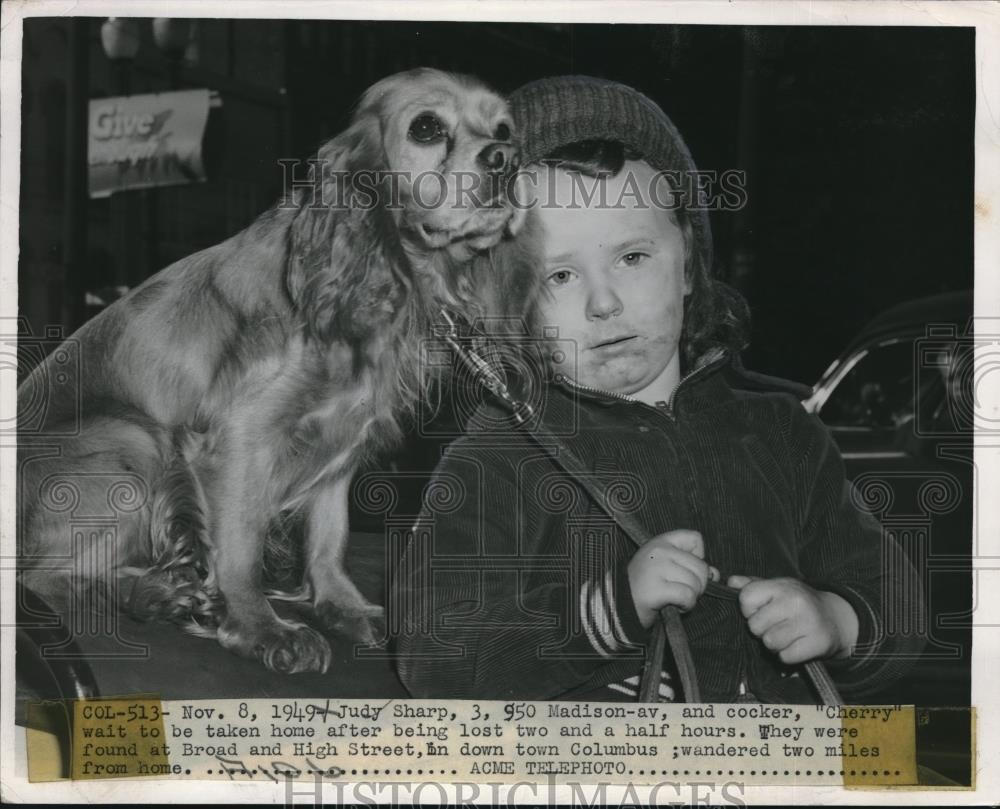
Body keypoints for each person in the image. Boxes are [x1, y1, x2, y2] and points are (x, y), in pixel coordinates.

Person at [390, 75, 924, 702]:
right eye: (559, 274)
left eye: (633, 258)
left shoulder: (784, 430)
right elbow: (434, 656)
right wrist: (606, 612)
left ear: (690, 261)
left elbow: (897, 599)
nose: (604, 302)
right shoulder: (496, 458)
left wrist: (838, 620)